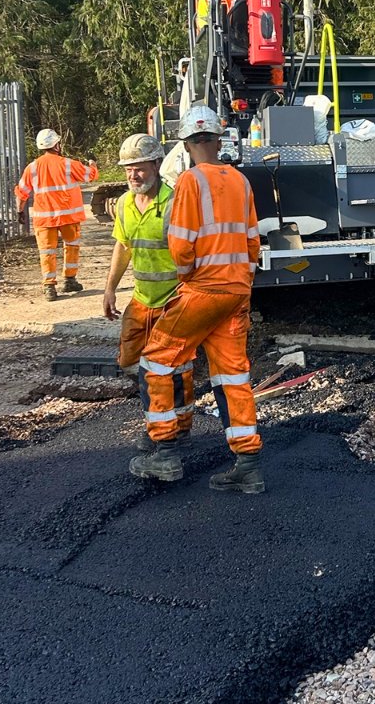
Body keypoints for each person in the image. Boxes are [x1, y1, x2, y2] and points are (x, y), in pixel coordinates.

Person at [129, 105, 264, 492]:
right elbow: (253, 241)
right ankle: (248, 464)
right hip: (237, 291)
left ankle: (165, 453)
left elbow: (181, 243)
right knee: (232, 373)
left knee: (157, 359)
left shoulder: (190, 181)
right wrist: (240, 281)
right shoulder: (240, 181)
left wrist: (188, 277)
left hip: (204, 289)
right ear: (219, 140)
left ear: (187, 144)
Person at [102, 134, 179, 450]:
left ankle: (163, 436)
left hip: (174, 301)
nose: (133, 175)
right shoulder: (123, 204)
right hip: (143, 298)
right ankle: (163, 410)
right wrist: (110, 289)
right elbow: (123, 245)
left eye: (140, 168)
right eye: (128, 169)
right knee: (129, 360)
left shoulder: (174, 204)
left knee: (159, 367)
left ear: (157, 165)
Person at [14, 129, 99, 301]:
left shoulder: (32, 168)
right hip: (69, 217)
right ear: (56, 145)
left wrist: (19, 211)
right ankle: (69, 280)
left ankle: (49, 287)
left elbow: (21, 193)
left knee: (46, 252)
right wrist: (93, 163)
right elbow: (90, 175)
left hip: (44, 219)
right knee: (72, 246)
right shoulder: (68, 164)